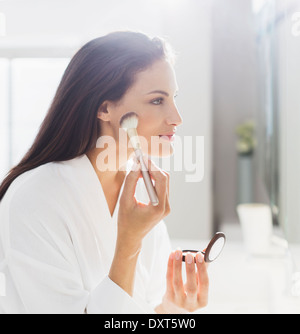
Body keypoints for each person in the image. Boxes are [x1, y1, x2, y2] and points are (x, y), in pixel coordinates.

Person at [0, 31, 209, 314]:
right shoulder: (34, 198)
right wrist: (129, 242)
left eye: (173, 98)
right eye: (158, 101)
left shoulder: (140, 199)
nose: (177, 118)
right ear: (105, 108)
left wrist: (171, 309)